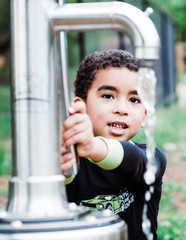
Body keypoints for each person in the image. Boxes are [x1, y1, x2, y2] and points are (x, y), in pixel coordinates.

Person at [61, 49, 167, 240]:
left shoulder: (151, 157)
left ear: (145, 115)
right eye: (108, 96)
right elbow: (63, 178)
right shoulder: (72, 158)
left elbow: (135, 162)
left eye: (134, 100)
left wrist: (92, 147)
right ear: (80, 106)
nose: (121, 109)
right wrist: (63, 166)